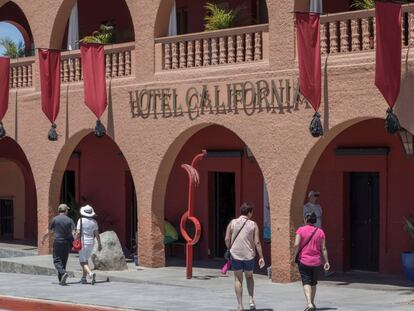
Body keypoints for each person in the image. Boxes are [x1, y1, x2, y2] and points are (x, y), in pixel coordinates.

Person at [225, 203, 265, 311]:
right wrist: (261, 257)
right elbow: (257, 242)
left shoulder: (232, 223)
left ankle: (240, 306)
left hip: (236, 255)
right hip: (249, 256)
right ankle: (251, 301)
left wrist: (230, 249)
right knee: (249, 277)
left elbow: (227, 239)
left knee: (238, 279)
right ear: (249, 213)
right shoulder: (253, 224)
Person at [294, 212, 330, 311]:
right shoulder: (320, 232)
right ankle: (312, 303)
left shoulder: (300, 230)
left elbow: (296, 244)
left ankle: (309, 303)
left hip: (304, 260)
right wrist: (326, 261)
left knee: (306, 281)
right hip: (316, 262)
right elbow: (323, 248)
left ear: (306, 219)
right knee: (313, 283)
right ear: (315, 220)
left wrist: (294, 255)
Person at [41, 203, 75, 286]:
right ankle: (61, 280)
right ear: (66, 210)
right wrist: (75, 242)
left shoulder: (54, 219)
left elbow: (48, 231)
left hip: (58, 242)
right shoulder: (70, 220)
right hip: (67, 243)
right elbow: (74, 232)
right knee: (64, 260)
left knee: (56, 260)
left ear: (59, 210)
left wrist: (43, 239)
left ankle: (63, 272)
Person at [75, 205, 102, 285]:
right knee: (85, 260)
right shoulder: (94, 222)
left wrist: (75, 238)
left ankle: (90, 273)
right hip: (91, 242)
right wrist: (99, 244)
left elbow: (78, 233)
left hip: (83, 242)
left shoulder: (80, 220)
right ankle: (83, 278)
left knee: (82, 262)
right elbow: (97, 234)